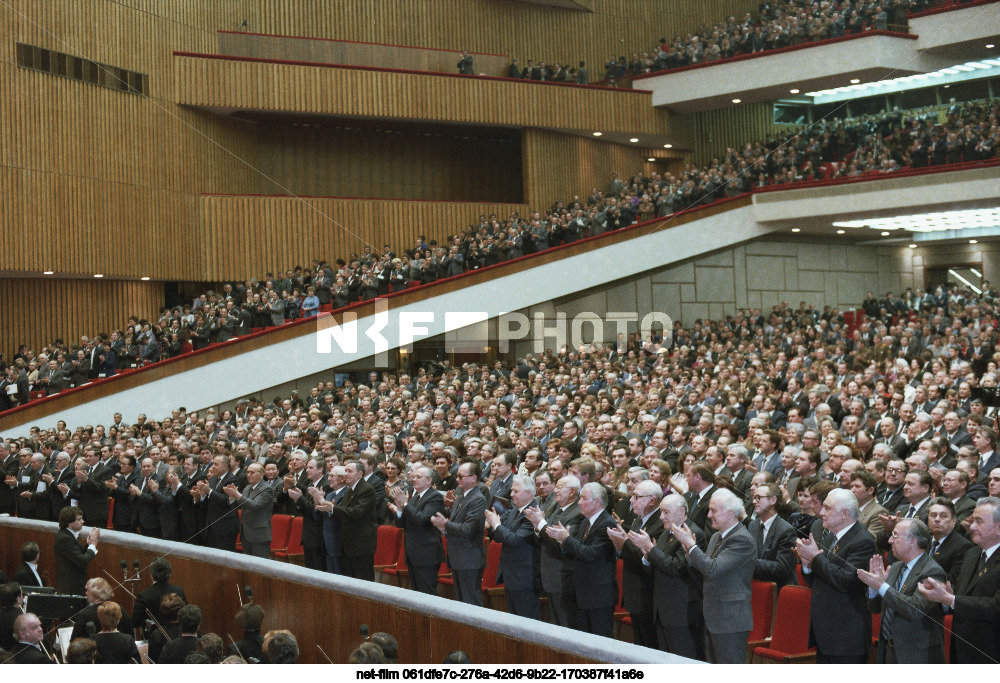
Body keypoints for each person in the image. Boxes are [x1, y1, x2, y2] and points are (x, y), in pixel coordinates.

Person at [673, 488, 755, 664]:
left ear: (731, 513)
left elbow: (713, 570)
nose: (709, 515)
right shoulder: (716, 536)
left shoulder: (742, 539)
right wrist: (689, 554)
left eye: (714, 510)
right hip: (713, 617)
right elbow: (705, 571)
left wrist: (691, 546)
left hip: (730, 621)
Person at [796, 488, 878, 663]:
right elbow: (816, 579)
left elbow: (847, 580)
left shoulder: (862, 541)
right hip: (827, 634)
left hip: (846, 637)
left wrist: (815, 557)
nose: (822, 512)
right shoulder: (831, 536)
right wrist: (807, 563)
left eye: (828, 508)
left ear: (845, 514)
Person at [918, 496, 1000, 663]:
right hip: (962, 647)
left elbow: (996, 606)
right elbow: (961, 596)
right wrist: (946, 596)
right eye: (972, 520)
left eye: (979, 521)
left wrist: (950, 598)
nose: (972, 527)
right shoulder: (972, 554)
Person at [628, 494, 705, 659]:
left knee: (682, 660)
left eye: (666, 512)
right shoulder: (666, 533)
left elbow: (676, 568)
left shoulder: (693, 533)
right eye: (661, 512)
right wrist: (647, 557)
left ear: (682, 511)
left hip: (681, 611)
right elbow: (657, 567)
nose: (661, 516)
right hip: (662, 609)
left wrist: (650, 548)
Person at [859, 518, 946, 663]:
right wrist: (874, 587)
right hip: (888, 649)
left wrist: (881, 586)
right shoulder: (896, 567)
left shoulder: (932, 571)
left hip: (916, 655)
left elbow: (914, 610)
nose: (890, 541)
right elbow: (875, 608)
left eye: (895, 535)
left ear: (913, 541)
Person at [544, 482, 617, 637]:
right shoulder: (586, 521)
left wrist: (566, 538)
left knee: (599, 643)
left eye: (584, 498)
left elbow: (590, 554)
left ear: (597, 502)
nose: (579, 502)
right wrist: (562, 541)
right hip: (582, 593)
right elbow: (576, 550)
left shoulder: (607, 523)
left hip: (598, 596)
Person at [607, 479, 664, 649]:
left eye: (637, 497)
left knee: (650, 645)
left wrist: (624, 541)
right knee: (640, 645)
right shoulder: (638, 520)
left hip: (648, 595)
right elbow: (630, 551)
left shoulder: (660, 523)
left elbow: (648, 557)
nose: (631, 500)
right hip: (635, 593)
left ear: (652, 500)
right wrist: (620, 543)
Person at [522, 474, 583, 628]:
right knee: (555, 624)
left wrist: (540, 524)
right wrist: (537, 528)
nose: (556, 490)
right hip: (550, 575)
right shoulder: (556, 508)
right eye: (556, 486)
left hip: (563, 577)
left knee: (566, 624)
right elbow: (543, 538)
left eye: (561, 487)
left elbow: (560, 544)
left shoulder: (577, 513)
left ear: (572, 492)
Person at [432, 460, 487, 606]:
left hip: (469, 559)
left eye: (461, 477)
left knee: (471, 602)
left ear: (473, 478)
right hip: (459, 557)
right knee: (462, 602)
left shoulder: (477, 499)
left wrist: (445, 524)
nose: (457, 479)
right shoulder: (462, 495)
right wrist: (444, 528)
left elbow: (468, 529)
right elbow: (456, 524)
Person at [485, 474, 541, 619]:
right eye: (512, 491)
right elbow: (498, 536)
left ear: (529, 493)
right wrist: (493, 524)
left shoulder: (533, 514)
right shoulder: (515, 510)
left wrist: (496, 524)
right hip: (511, 575)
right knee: (514, 619)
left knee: (527, 621)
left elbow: (515, 540)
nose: (511, 494)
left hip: (525, 578)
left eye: (516, 491)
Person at [390, 465, 446, 595]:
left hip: (427, 554)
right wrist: (399, 508)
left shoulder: (435, 497)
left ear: (429, 480)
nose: (414, 479)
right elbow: (401, 523)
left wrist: (404, 504)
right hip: (413, 553)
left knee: (427, 593)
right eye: (414, 477)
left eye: (418, 477)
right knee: (417, 593)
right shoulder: (415, 497)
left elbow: (421, 520)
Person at [331, 459, 378, 580]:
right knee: (350, 581)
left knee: (364, 580)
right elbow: (344, 510)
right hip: (349, 544)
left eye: (349, 471)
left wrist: (333, 509)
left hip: (361, 545)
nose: (346, 474)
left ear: (360, 474)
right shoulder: (349, 489)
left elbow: (356, 512)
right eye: (345, 471)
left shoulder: (366, 489)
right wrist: (330, 507)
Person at [747, 482, 797, 589]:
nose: (754, 501)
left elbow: (782, 568)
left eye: (759, 497)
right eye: (754, 497)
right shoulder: (753, 525)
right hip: (755, 587)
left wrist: (747, 562)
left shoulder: (786, 530)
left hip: (778, 590)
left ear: (773, 500)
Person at [227, 462, 277, 558]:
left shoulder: (266, 488)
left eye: (252, 472)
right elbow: (241, 504)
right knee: (247, 565)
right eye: (248, 472)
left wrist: (237, 494)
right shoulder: (247, 487)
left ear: (261, 474)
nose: (249, 475)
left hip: (259, 535)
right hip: (246, 534)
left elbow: (255, 505)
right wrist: (232, 496)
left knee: (259, 567)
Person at [131, 558, 186, 636]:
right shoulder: (178, 591)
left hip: (154, 638)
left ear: (151, 575)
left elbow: (135, 622)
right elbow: (185, 615)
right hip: (178, 636)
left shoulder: (144, 595)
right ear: (169, 573)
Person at [54, 505, 99, 595]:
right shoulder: (65, 539)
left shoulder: (68, 535)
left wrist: (88, 544)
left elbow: (78, 555)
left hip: (74, 586)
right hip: (71, 589)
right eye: (79, 519)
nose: (83, 521)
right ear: (69, 522)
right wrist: (93, 545)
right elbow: (82, 561)